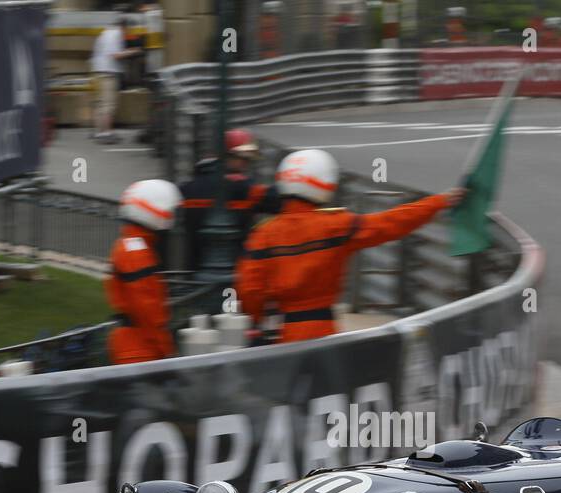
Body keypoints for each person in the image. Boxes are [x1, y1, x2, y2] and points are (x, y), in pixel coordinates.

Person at [236, 148, 465, 343]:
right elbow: (392, 223)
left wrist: (259, 317)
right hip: (322, 330)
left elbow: (249, 290)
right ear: (323, 183)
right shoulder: (336, 225)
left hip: (279, 331)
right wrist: (438, 202)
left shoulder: (263, 234)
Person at [105, 179, 182, 364]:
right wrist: (168, 350)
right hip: (140, 348)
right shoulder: (137, 252)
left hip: (135, 344)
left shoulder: (131, 245)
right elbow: (148, 310)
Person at [180, 129, 278, 273]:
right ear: (228, 156)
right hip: (234, 271)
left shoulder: (188, 188)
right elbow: (277, 202)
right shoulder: (245, 188)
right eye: (243, 158)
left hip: (194, 270)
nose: (246, 164)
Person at [89, 17, 139, 143]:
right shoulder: (115, 34)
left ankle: (99, 132)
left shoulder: (105, 33)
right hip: (108, 73)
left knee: (100, 103)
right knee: (108, 104)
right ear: (124, 27)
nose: (127, 33)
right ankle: (107, 133)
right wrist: (132, 52)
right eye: (128, 30)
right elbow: (115, 55)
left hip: (98, 71)